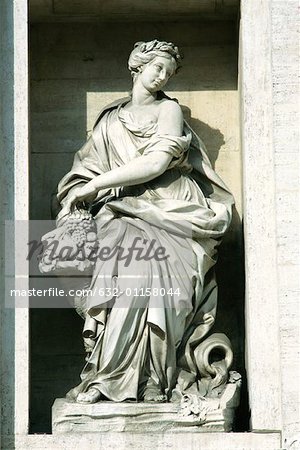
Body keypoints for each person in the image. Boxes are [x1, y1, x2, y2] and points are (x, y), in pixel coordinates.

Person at [56, 40, 234, 404]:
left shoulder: (169, 110)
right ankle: (108, 377)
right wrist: (76, 195)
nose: (163, 76)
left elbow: (154, 164)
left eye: (169, 71)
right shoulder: (108, 121)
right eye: (157, 67)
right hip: (121, 210)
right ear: (137, 66)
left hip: (171, 209)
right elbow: (85, 169)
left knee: (155, 278)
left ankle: (156, 378)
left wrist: (94, 186)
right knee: (124, 277)